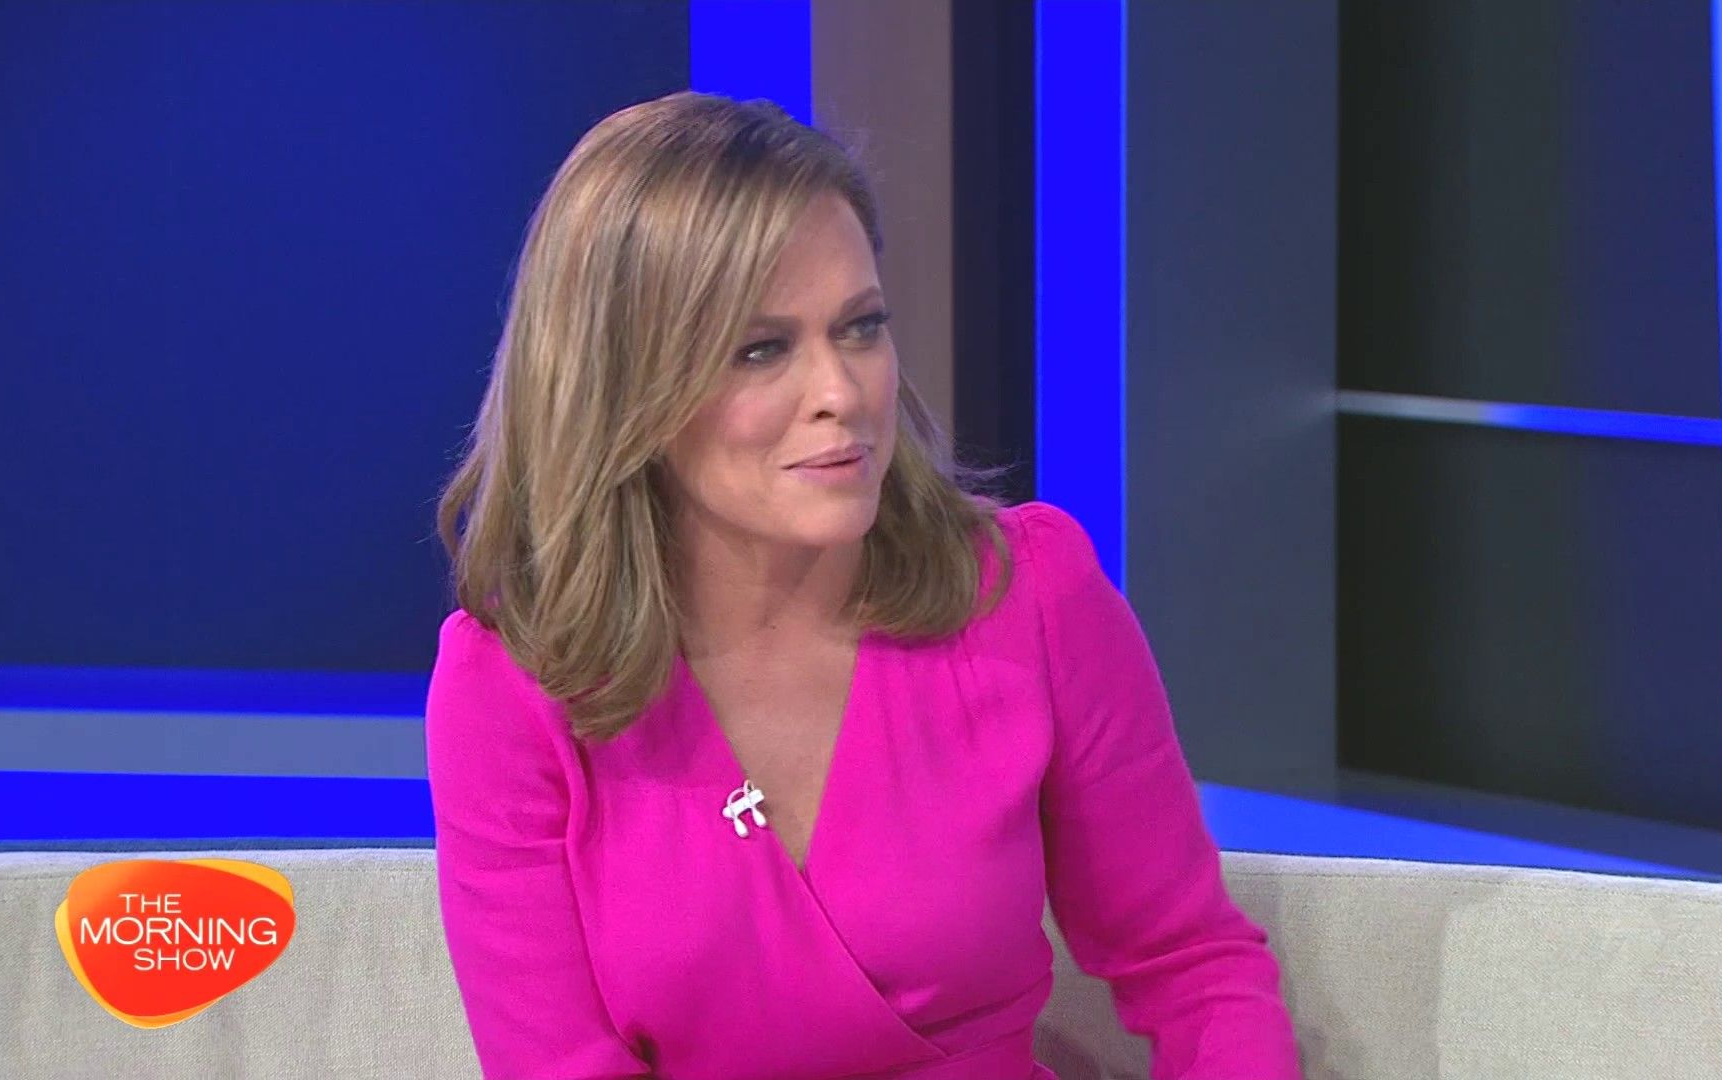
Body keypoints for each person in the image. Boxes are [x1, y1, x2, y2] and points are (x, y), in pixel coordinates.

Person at [425, 90, 1301, 1080]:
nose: (842, 393)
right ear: (622, 386)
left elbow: (1191, 966)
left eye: (860, 327)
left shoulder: (1030, 594)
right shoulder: (512, 684)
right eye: (761, 349)